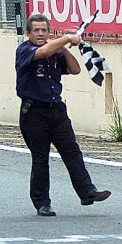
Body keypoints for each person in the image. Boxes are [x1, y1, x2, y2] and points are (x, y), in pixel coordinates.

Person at [16, 13, 111, 216]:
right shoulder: (25, 50)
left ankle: (87, 192)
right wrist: (67, 38)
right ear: (28, 33)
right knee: (40, 158)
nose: (40, 34)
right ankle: (42, 202)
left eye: (44, 30)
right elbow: (42, 52)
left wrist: (64, 49)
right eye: (36, 30)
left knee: (72, 151)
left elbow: (75, 69)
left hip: (56, 110)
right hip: (34, 112)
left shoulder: (55, 51)